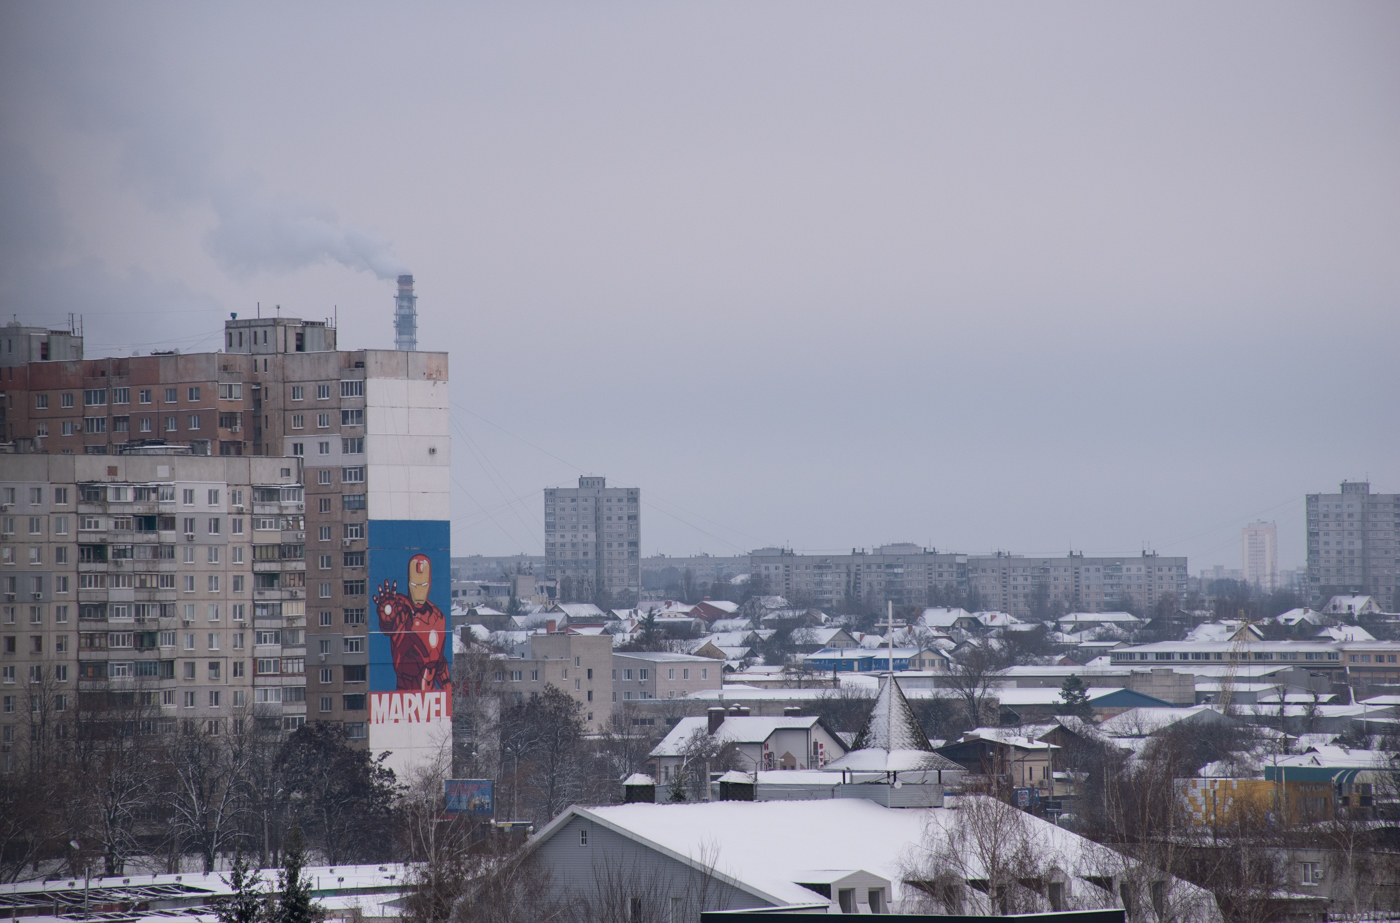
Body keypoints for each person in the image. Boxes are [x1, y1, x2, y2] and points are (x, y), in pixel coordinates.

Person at [373, 553, 451, 691]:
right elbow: (389, 626)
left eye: (423, 585)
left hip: (431, 701)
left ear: (430, 582)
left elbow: (440, 663)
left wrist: (448, 691)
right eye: (414, 585)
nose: (419, 591)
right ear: (409, 583)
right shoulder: (401, 608)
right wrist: (387, 615)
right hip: (404, 699)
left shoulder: (439, 618)